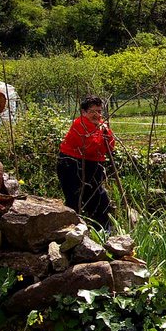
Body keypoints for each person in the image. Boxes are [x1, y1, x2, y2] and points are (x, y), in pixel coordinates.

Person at [57, 96, 115, 231]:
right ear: (83, 112)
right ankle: (72, 232)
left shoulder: (101, 126)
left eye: (99, 111)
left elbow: (109, 147)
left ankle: (102, 232)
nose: (97, 115)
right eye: (92, 111)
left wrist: (105, 133)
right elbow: (89, 147)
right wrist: (101, 132)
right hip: (72, 164)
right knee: (74, 199)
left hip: (93, 165)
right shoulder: (79, 124)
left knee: (99, 199)